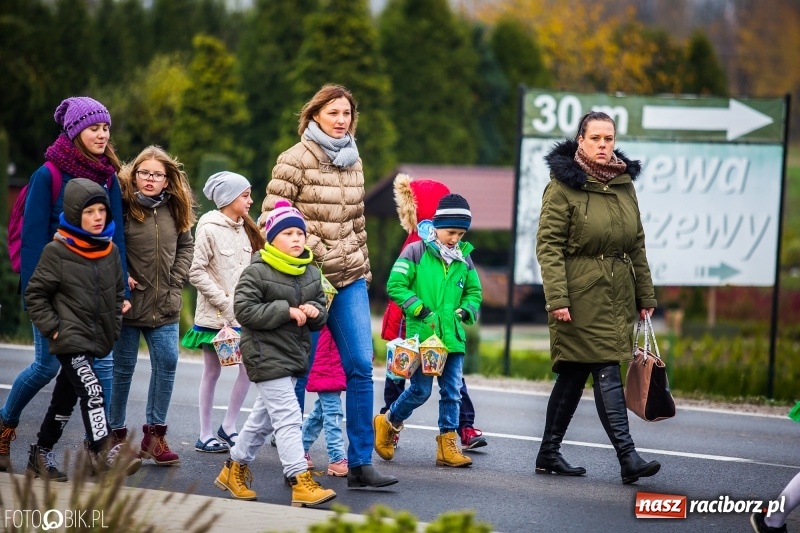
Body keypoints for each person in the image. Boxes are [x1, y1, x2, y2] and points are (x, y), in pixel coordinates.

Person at [261, 83, 397, 488]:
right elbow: (273, 215)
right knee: (300, 369)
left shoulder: (354, 160)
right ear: (315, 114)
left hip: (351, 277)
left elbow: (358, 223)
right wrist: (319, 251)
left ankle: (359, 464)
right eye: (334, 113)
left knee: (360, 365)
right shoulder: (293, 160)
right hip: (307, 277)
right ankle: (295, 464)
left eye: (347, 114)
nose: (342, 120)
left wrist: (364, 271)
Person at [0, 97, 130, 473]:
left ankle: (96, 451)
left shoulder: (108, 175)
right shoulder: (50, 175)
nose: (102, 134)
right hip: (56, 296)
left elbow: (115, 236)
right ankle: (6, 424)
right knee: (44, 368)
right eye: (94, 128)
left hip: (95, 296)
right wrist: (35, 297)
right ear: (75, 132)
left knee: (97, 372)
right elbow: (32, 239)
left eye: (106, 128)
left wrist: (121, 290)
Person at [534, 111, 660, 484]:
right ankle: (628, 457)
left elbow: (636, 242)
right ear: (581, 141)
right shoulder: (562, 186)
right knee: (606, 367)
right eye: (596, 139)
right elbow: (548, 246)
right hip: (578, 293)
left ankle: (548, 451)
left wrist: (645, 292)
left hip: (617, 293)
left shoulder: (624, 184)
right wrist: (558, 298)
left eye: (609, 138)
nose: (604, 145)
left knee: (573, 374)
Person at [214, 200, 336, 507]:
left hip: (293, 355)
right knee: (289, 416)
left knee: (263, 419)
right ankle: (300, 480)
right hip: (263, 354)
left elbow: (321, 310)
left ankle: (234, 469)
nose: (297, 238)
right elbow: (244, 310)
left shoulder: (309, 272)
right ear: (272, 238)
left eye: (300, 233)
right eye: (289, 233)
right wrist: (286, 310)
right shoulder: (257, 271)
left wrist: (314, 310)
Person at [24, 179, 141, 480]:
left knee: (65, 399)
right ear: (76, 213)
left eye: (102, 210)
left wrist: (113, 326)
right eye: (90, 211)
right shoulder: (57, 251)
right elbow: (35, 295)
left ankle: (40, 453)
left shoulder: (110, 250)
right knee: (92, 390)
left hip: (96, 338)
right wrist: (53, 329)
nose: (99, 217)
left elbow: (117, 293)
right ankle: (104, 451)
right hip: (69, 338)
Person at [379, 174, 487, 451]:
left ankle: (451, 439)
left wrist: (466, 312)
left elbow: (474, 291)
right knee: (415, 385)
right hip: (420, 332)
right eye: (452, 233)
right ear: (435, 221)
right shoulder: (416, 249)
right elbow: (396, 286)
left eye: (461, 234)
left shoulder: (463, 255)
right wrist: (418, 311)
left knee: (452, 387)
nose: (455, 239)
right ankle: (389, 419)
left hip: (451, 335)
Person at [109, 146, 196, 466]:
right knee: (122, 370)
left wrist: (176, 282)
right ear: (133, 176)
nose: (149, 179)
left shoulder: (176, 208)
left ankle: (154, 436)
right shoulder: (122, 205)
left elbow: (186, 246)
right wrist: (122, 276)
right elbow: (109, 243)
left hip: (165, 304)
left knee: (168, 361)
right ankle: (115, 436)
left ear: (166, 180)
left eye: (157, 175)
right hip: (129, 304)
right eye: (144, 173)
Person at [182, 171, 264, 454]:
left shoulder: (245, 228)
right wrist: (226, 303)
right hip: (215, 319)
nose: (250, 200)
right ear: (228, 198)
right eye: (245, 195)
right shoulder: (208, 227)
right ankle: (205, 434)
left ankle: (228, 427)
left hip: (243, 318)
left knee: (248, 371)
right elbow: (196, 271)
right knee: (212, 372)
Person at [301, 325, 348, 476]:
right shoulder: (322, 309)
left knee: (321, 412)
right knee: (333, 411)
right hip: (325, 364)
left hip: (336, 363)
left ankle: (300, 448)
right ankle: (337, 457)